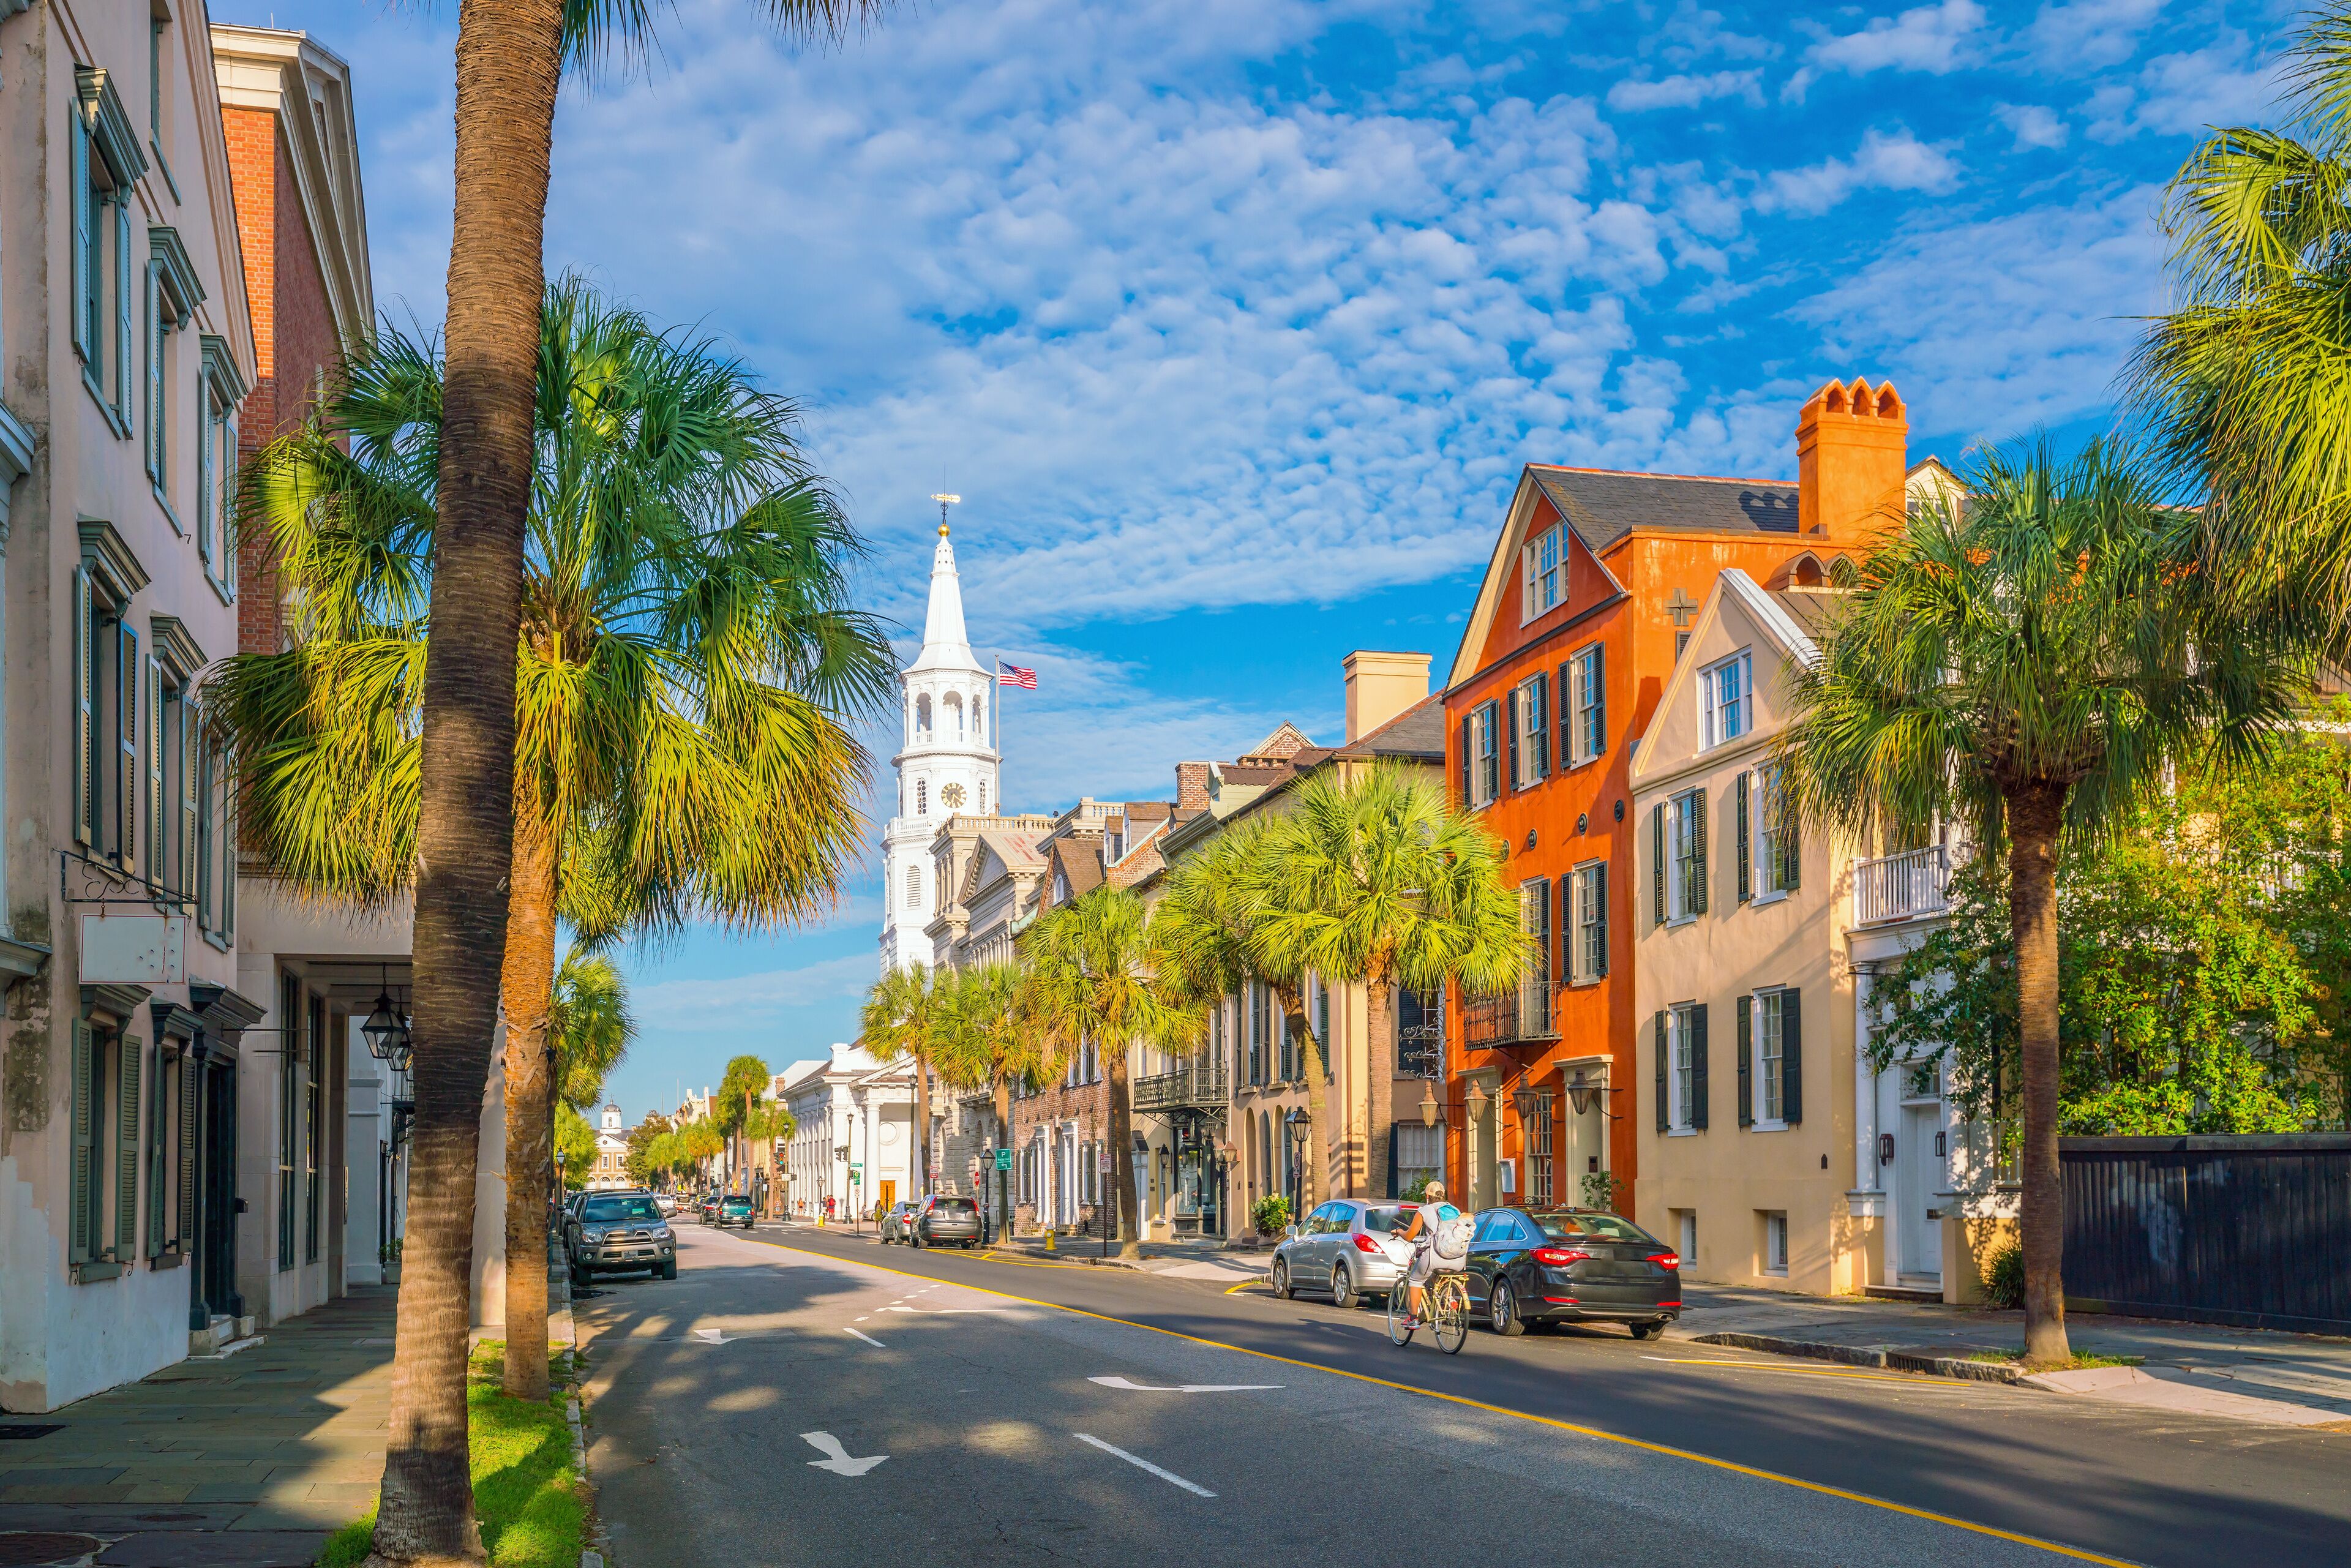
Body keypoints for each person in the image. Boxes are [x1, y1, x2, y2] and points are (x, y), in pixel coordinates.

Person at [1393, 1181, 1463, 1322]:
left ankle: (1413, 1319)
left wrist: (1398, 1231)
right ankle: (1448, 1299)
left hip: (1435, 1255)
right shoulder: (1455, 1210)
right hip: (1458, 1258)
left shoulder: (1424, 1211)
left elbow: (1409, 1236)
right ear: (1443, 1195)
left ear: (1427, 1195)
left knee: (1415, 1280)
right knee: (1441, 1277)